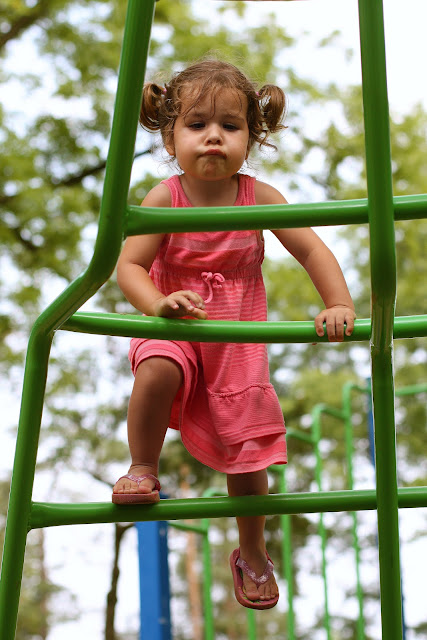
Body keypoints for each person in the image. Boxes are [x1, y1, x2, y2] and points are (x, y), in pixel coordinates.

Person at [112, 59, 356, 610]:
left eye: (230, 125)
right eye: (197, 124)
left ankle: (252, 551)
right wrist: (158, 304)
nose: (214, 136)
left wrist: (338, 303)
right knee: (157, 369)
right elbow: (129, 266)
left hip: (236, 344)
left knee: (248, 453)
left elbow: (312, 249)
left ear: (252, 137)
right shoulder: (164, 198)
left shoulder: (259, 198)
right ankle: (143, 468)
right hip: (175, 324)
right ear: (170, 139)